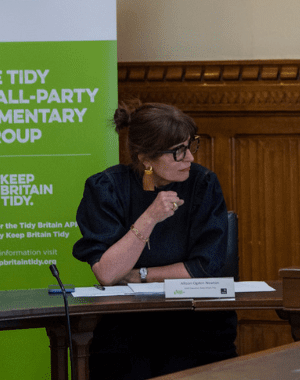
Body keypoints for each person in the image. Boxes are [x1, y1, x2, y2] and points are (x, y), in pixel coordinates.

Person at [72, 101, 237, 379]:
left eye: (190, 146)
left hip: (195, 321)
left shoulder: (202, 184)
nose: (190, 159)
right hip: (128, 326)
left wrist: (141, 275)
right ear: (146, 159)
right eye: (178, 152)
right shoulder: (107, 188)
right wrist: (149, 217)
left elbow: (204, 268)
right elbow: (108, 273)